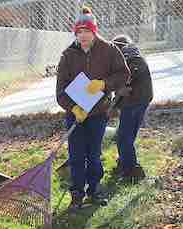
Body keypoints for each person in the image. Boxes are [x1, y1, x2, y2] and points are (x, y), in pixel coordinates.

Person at [56, 6, 129, 209]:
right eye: (79, 32)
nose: (83, 36)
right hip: (76, 115)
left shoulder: (109, 50)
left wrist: (105, 84)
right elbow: (60, 92)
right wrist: (73, 108)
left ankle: (94, 190)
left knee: (94, 154)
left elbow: (124, 74)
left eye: (86, 31)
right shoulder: (68, 55)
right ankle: (77, 193)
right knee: (76, 155)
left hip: (98, 113)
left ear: (94, 31)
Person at [111, 35, 153, 182]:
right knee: (125, 136)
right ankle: (125, 163)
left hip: (135, 103)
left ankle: (132, 169)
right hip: (136, 102)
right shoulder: (132, 57)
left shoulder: (132, 58)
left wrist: (122, 87)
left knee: (124, 137)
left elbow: (129, 77)